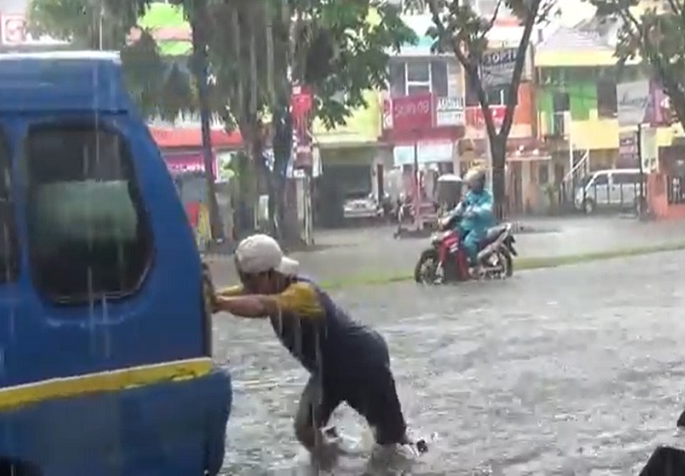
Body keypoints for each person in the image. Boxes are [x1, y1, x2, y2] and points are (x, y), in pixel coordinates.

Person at [209, 234, 420, 466]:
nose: (247, 287)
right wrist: (212, 297)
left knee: (392, 444)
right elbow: (242, 293)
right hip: (328, 371)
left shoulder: (302, 293)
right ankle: (334, 467)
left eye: (250, 281)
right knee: (305, 429)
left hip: (364, 363)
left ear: (269, 274)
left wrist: (220, 303)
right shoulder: (270, 286)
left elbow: (260, 305)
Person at [453, 167, 494, 271]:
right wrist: (451, 214)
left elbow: (487, 209)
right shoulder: (469, 195)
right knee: (454, 236)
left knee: (468, 242)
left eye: (474, 182)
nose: (471, 185)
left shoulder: (487, 196)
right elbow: (461, 206)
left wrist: (475, 212)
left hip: (481, 227)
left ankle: (475, 263)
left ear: (480, 183)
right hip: (467, 225)